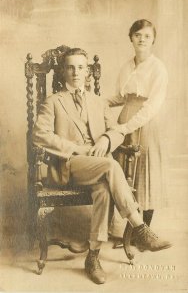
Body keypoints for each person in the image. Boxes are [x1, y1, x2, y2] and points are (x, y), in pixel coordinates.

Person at [33, 47, 171, 285]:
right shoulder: (53, 101)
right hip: (69, 165)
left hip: (97, 167)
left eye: (80, 67)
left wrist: (107, 139)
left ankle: (93, 257)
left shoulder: (98, 102)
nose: (76, 72)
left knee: (104, 189)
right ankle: (139, 227)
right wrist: (75, 148)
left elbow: (117, 130)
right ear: (63, 71)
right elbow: (39, 135)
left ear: (87, 72)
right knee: (110, 165)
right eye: (70, 67)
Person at [107, 19, 169, 246]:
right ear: (131, 38)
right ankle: (129, 231)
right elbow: (122, 97)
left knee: (144, 179)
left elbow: (152, 106)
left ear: (153, 41)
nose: (142, 39)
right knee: (124, 178)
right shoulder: (127, 65)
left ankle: (144, 235)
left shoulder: (158, 68)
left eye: (147, 36)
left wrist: (125, 127)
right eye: (138, 35)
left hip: (146, 124)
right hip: (125, 119)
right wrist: (98, 102)